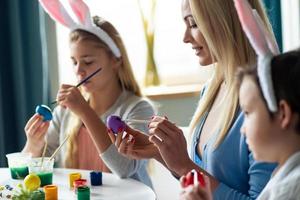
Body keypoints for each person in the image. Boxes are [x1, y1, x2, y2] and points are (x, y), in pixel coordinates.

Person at [111, 0, 277, 198]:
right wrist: (158, 152)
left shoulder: (266, 101)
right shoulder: (211, 89)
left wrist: (184, 166)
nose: (185, 38)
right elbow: (200, 175)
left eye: (193, 24)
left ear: (225, 22)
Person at [22, 0, 154, 187]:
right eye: (74, 62)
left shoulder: (139, 109)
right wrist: (33, 145)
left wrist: (84, 111)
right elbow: (33, 170)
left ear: (116, 60)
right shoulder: (66, 112)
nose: (79, 71)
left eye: (88, 62)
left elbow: (125, 168)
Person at [180, 49, 300, 200]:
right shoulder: (284, 176)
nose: (242, 129)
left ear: (283, 114)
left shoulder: (289, 190)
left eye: (248, 113)